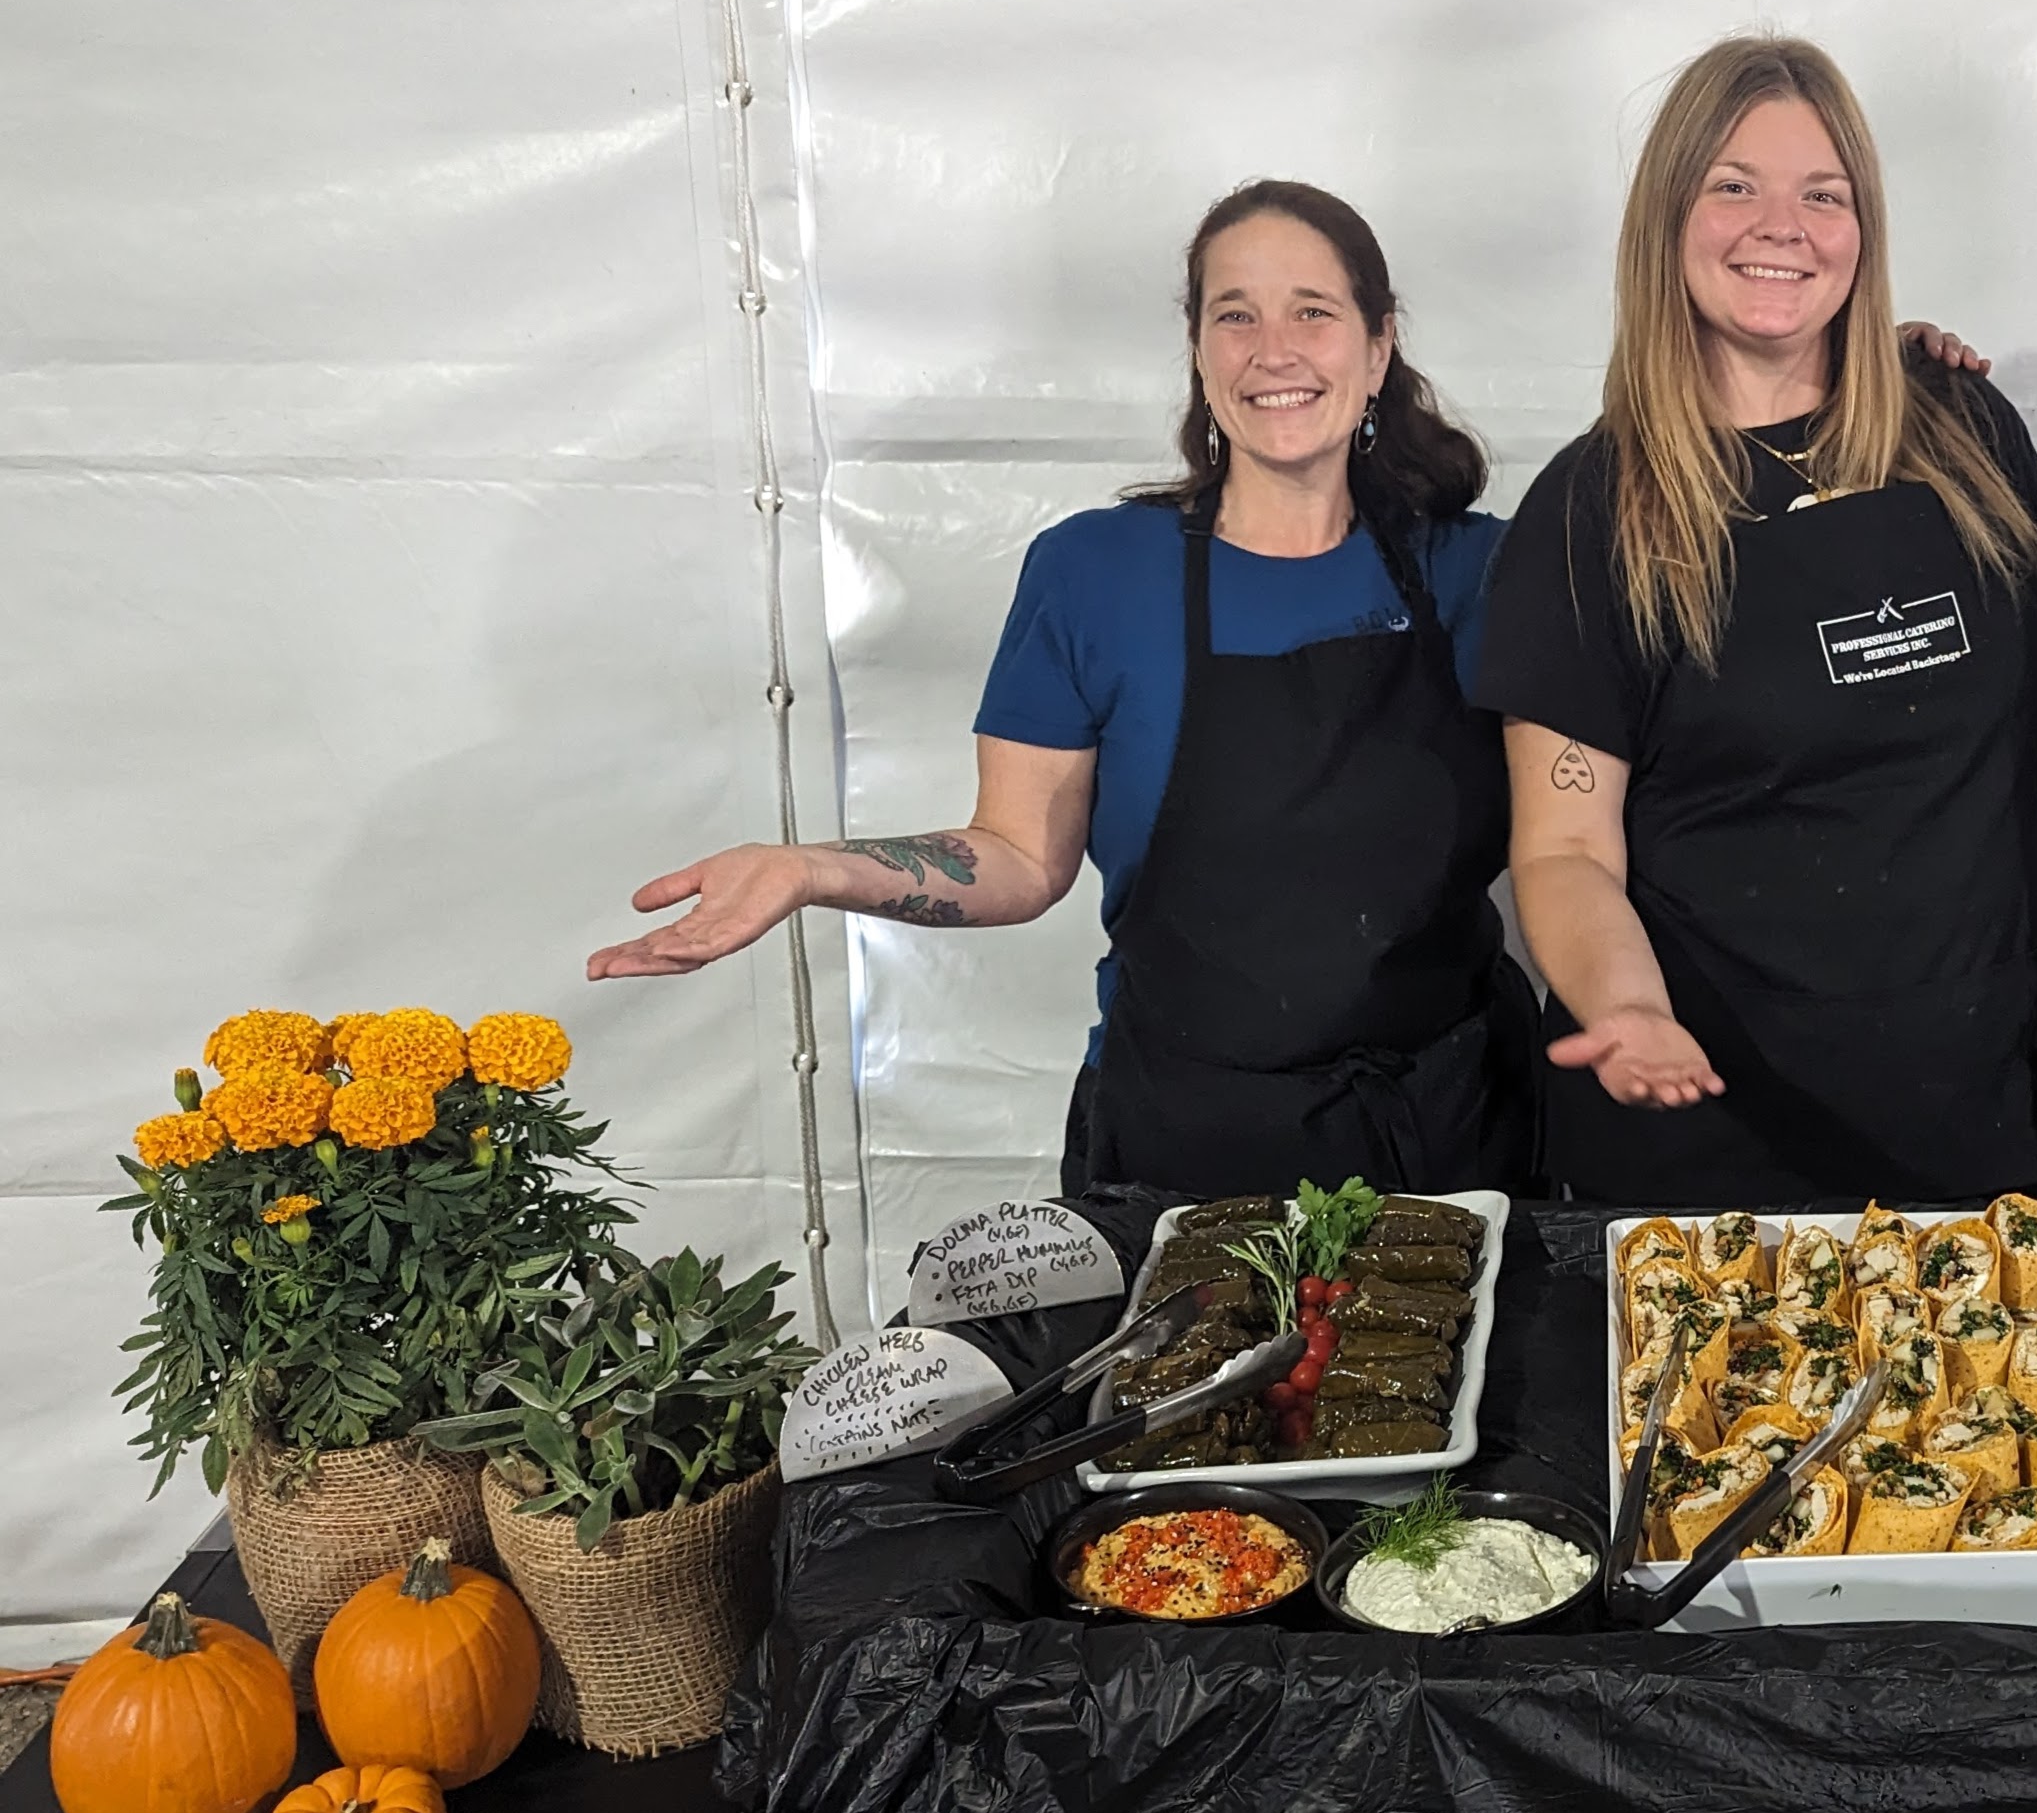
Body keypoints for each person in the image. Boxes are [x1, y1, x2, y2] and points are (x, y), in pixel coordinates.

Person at [590, 180, 1534, 1199]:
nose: (1274, 348)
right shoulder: (1094, 573)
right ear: (1197, 347)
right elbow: (1017, 856)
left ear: (1378, 344)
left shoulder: (1484, 573)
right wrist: (813, 868)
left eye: (1313, 310)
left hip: (1449, 1133)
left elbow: (1581, 833)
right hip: (1185, 1141)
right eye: (1235, 315)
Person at [1476, 35, 2037, 1205]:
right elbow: (1564, 847)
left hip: (1993, 1121)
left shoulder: (1965, 431)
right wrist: (1627, 1010)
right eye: (1732, 186)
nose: (1784, 225)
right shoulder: (1590, 507)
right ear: (1666, 219)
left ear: (1863, 231)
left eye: (1824, 194)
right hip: (1713, 1144)